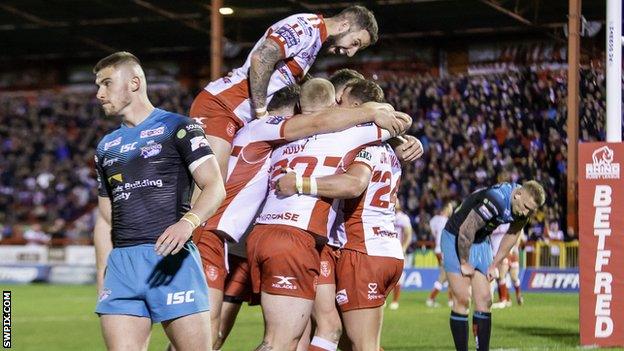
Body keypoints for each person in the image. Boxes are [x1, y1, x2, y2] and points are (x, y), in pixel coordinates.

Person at [194, 82, 407, 347]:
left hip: (256, 235)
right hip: (291, 238)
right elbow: (399, 121)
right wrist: (400, 137)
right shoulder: (345, 135)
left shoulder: (276, 140)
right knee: (283, 340)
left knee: (298, 335)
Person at [274, 80, 422, 351]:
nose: (335, 109)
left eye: (340, 103)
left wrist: (300, 183)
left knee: (359, 343)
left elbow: (354, 184)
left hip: (362, 251)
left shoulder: (361, 143)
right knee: (349, 340)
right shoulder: (385, 144)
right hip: (383, 250)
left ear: (358, 108)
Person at [92, 52, 225, 350]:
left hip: (170, 258)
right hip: (123, 267)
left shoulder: (179, 127)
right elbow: (104, 218)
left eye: (107, 83)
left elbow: (215, 185)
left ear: (135, 83)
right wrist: (103, 276)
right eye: (97, 86)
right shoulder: (106, 146)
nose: (99, 94)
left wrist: (187, 223)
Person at [190, 6, 378, 180]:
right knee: (210, 187)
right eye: (355, 43)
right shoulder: (305, 27)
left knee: (219, 189)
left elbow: (295, 79)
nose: (351, 53)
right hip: (223, 106)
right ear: (344, 25)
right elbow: (261, 57)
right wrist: (261, 113)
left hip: (239, 115)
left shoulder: (314, 41)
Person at [441, 181, 545, 351]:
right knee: (462, 298)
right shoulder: (496, 200)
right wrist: (464, 262)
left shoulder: (523, 207)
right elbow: (467, 229)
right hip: (456, 236)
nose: (526, 213)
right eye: (526, 207)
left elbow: (512, 234)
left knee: (485, 300)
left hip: (481, 241)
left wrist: (494, 264)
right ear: (518, 194)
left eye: (531, 211)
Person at [426, 202, 454, 308]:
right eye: (450, 208)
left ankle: (451, 300)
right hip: (444, 250)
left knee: (448, 274)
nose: (451, 210)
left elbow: (433, 231)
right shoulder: (447, 221)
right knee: (445, 275)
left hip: (437, 250)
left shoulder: (434, 219)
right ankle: (431, 298)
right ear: (446, 209)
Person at [389, 201, 413, 310]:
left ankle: (395, 301)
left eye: (397, 200)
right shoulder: (386, 215)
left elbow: (408, 234)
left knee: (398, 276)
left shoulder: (403, 218)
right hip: (385, 249)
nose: (395, 201)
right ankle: (382, 299)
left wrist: (404, 247)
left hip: (398, 250)